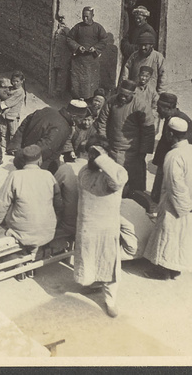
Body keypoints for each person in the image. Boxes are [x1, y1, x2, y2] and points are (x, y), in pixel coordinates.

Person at [143, 117, 192, 280]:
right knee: (181, 239)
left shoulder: (173, 156)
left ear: (170, 133)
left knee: (168, 237)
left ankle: (163, 271)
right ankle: (174, 269)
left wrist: (185, 206)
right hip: (191, 204)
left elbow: (176, 185)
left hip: (175, 206)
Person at [74, 136, 128, 318]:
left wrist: (102, 158)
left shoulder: (114, 174)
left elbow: (118, 180)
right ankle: (93, 283)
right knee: (89, 260)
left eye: (95, 155)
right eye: (90, 154)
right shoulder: (84, 172)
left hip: (107, 229)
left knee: (109, 265)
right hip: (88, 226)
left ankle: (110, 301)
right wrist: (99, 158)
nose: (92, 158)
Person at [0, 145, 63, 250]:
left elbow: (0, 205)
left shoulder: (15, 176)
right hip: (48, 232)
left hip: (21, 233)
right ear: (40, 160)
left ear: (24, 160)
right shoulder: (49, 175)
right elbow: (58, 204)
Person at [96, 79, 155, 196]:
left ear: (133, 94)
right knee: (113, 180)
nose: (122, 98)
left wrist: (143, 151)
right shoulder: (111, 101)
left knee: (133, 182)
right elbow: (102, 122)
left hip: (133, 151)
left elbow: (148, 131)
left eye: (126, 96)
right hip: (113, 148)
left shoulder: (140, 106)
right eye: (121, 94)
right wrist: (103, 139)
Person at [7, 99, 88, 172]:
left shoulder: (46, 110)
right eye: (81, 119)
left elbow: (23, 126)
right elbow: (46, 147)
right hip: (39, 168)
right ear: (74, 116)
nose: (81, 122)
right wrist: (22, 158)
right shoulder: (64, 127)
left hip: (27, 159)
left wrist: (16, 147)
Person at [150, 92, 192, 204]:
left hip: (173, 164)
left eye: (160, 108)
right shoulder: (169, 117)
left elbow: (184, 147)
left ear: (168, 108)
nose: (157, 110)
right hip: (165, 162)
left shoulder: (182, 122)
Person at [66, 6, 108, 99]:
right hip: (78, 61)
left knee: (90, 83)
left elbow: (104, 40)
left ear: (92, 16)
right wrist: (78, 47)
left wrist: (95, 48)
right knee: (77, 82)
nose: (85, 18)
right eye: (83, 16)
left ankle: (89, 101)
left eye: (87, 16)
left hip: (91, 61)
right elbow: (69, 38)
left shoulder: (98, 28)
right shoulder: (78, 27)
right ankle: (76, 100)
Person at [0, 71, 27, 149]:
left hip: (12, 116)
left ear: (22, 81)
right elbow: (3, 93)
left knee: (12, 132)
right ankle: (3, 146)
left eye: (17, 81)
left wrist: (0, 104)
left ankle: (12, 147)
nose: (15, 83)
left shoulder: (20, 92)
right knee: (3, 130)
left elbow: (9, 102)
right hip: (4, 114)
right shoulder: (10, 89)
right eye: (13, 81)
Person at [134, 66, 159, 133]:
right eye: (142, 75)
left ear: (150, 78)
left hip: (147, 118)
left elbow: (155, 105)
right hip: (133, 117)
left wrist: (150, 116)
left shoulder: (152, 90)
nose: (143, 78)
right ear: (138, 75)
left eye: (146, 76)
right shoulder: (133, 88)